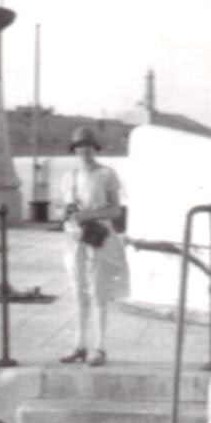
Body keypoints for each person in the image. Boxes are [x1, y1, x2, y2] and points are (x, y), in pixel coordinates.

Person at [59, 126, 130, 367]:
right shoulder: (69, 177)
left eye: (88, 145)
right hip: (76, 239)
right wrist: (68, 215)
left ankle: (99, 348)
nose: (84, 150)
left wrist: (89, 215)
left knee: (98, 293)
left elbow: (116, 210)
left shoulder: (106, 174)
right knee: (78, 293)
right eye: (80, 146)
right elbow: (65, 209)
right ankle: (79, 346)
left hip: (99, 238)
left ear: (95, 148)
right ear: (74, 149)